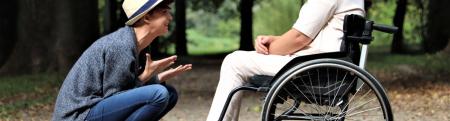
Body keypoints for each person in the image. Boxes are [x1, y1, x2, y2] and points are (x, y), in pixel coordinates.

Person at [206, 0, 365, 120]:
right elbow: (308, 36)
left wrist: (268, 49)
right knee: (237, 60)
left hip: (312, 66)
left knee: (234, 62)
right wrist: (272, 40)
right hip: (326, 62)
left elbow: (298, 39)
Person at [52, 0, 192, 121]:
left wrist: (155, 78)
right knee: (159, 94)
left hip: (95, 109)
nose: (170, 17)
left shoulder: (139, 46)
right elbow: (115, 96)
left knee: (170, 94)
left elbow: (125, 93)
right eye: (164, 12)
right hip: (78, 115)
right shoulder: (121, 45)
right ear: (147, 17)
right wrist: (145, 78)